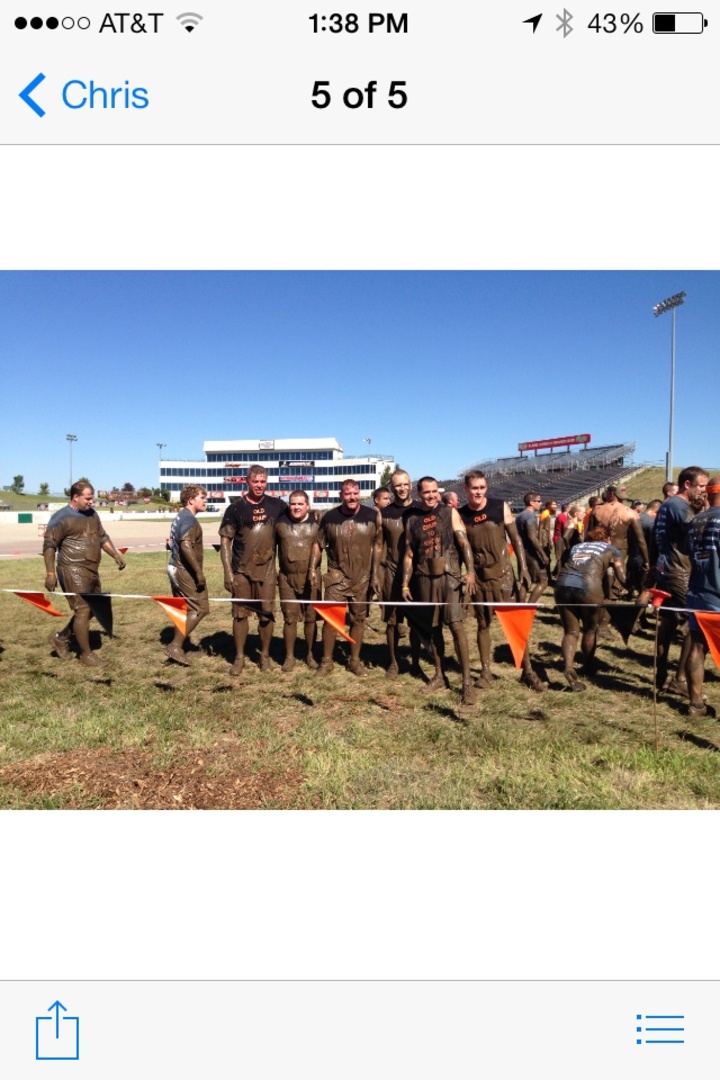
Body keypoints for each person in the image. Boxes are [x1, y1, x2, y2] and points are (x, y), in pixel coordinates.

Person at [459, 471, 542, 691]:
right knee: (482, 625)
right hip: (480, 580)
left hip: (504, 577)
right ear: (466, 489)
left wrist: (523, 568)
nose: (479, 492)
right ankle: (485, 673)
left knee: (516, 625)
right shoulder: (460, 514)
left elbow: (516, 539)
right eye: (474, 488)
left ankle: (528, 672)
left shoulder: (499, 506)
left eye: (482, 487)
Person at [401, 475, 477, 705]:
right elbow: (409, 555)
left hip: (449, 576)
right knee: (432, 629)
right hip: (425, 578)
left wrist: (470, 570)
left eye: (434, 491)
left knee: (455, 625)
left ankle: (466, 683)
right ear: (419, 494)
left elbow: (463, 542)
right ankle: (439, 674)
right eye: (426, 492)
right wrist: (405, 582)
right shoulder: (412, 519)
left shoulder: (448, 512)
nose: (431, 495)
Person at [44, 480, 126, 666]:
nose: (92, 502)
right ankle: (86, 654)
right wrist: (50, 573)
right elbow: (49, 546)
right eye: (88, 498)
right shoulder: (61, 518)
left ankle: (61, 638)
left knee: (94, 608)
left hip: (91, 569)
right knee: (83, 609)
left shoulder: (92, 514)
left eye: (92, 498)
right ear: (75, 497)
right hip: (71, 568)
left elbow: (102, 537)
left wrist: (115, 555)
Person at [309, 479, 382, 676]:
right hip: (336, 577)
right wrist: (311, 568)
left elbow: (378, 545)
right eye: (348, 493)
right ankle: (326, 661)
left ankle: (355, 660)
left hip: (362, 578)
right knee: (331, 620)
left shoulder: (372, 516)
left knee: (359, 619)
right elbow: (318, 544)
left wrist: (375, 574)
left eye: (355, 493)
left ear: (360, 494)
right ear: (341, 495)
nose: (352, 497)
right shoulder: (329, 517)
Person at [219, 464, 287, 675]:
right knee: (240, 615)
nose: (259, 485)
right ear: (247, 482)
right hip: (241, 571)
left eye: (263, 481)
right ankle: (239, 657)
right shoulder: (235, 509)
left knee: (266, 615)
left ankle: (264, 656)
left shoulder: (278, 506)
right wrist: (228, 572)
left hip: (267, 571)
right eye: (255, 481)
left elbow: (294, 521)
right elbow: (225, 541)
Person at [651, 465, 708, 695]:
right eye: (701, 486)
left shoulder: (668, 505)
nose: (703, 491)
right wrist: (705, 510)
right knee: (693, 624)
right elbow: (695, 528)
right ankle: (680, 679)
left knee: (668, 622)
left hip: (666, 568)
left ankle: (661, 673)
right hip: (678, 571)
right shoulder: (677, 504)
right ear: (688, 484)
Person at [554, 525, 626, 691]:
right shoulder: (612, 549)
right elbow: (621, 577)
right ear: (607, 538)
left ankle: (568, 666)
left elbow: (564, 564)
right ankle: (588, 665)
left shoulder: (575, 547)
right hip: (589, 588)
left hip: (562, 586)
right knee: (590, 629)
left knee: (571, 632)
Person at [684, 476, 720, 717]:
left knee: (697, 646)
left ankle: (695, 702)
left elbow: (689, 553)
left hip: (697, 589)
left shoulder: (697, 520)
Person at [275, 490, 321, 672]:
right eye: (293, 503)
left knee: (311, 619)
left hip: (312, 577)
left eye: (300, 504)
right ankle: (289, 656)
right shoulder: (280, 523)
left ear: (307, 506)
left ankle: (310, 654)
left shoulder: (318, 523)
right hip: (286, 578)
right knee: (289, 618)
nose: (296, 507)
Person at [165, 484, 209, 666]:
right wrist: (199, 573)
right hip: (184, 570)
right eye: (202, 498)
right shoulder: (190, 520)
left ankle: (177, 648)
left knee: (183, 610)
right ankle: (175, 646)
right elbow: (185, 544)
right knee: (200, 608)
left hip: (174, 567)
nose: (206, 501)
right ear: (191, 500)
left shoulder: (181, 516)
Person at [379, 468, 416, 677]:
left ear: (410, 484)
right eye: (397, 485)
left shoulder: (421, 510)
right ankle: (393, 662)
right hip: (391, 572)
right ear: (392, 488)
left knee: (417, 621)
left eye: (405, 484)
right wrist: (377, 573)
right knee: (392, 621)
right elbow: (378, 545)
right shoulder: (384, 513)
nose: (402, 488)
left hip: (416, 573)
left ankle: (416, 661)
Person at [587, 486, 649, 596]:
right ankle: (631, 590)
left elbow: (589, 534)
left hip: (598, 548)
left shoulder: (597, 509)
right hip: (618, 548)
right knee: (619, 570)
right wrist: (646, 560)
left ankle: (607, 594)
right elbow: (640, 540)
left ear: (611, 494)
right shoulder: (630, 512)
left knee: (600, 573)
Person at [514, 492, 548, 602]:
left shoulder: (519, 516)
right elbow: (532, 537)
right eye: (538, 501)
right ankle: (529, 606)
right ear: (531, 502)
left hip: (522, 552)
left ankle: (520, 608)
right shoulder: (530, 516)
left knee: (525, 581)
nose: (540, 503)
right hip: (531, 553)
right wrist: (543, 555)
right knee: (543, 581)